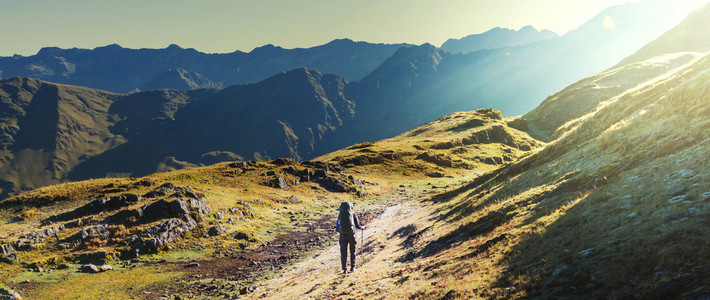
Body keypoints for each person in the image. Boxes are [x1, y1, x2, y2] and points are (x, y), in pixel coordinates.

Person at [335, 201, 362, 273]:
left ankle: (344, 269)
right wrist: (362, 228)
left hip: (342, 235)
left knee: (343, 252)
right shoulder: (353, 214)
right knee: (352, 251)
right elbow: (357, 225)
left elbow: (337, 225)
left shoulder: (340, 215)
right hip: (351, 235)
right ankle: (353, 267)